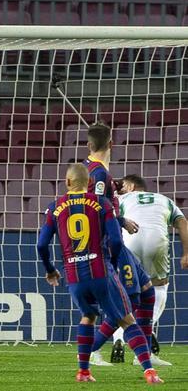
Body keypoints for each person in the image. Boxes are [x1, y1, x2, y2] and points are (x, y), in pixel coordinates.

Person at [37, 163, 162, 384]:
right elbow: (115, 240)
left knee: (88, 317)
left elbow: (41, 245)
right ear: (91, 183)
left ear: (67, 182)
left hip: (74, 276)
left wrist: (50, 270)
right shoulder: (102, 203)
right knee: (127, 320)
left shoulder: (54, 207)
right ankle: (149, 372)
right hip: (101, 272)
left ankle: (83, 371)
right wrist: (111, 263)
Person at [81, 123, 155, 366]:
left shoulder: (89, 169)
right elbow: (97, 207)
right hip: (109, 243)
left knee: (147, 291)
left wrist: (113, 187)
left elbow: (92, 199)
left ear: (89, 145)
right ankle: (90, 352)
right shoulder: (100, 173)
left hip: (115, 243)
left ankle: (143, 353)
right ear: (112, 144)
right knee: (128, 303)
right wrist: (121, 219)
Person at [115, 174, 188, 365]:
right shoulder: (165, 199)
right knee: (159, 286)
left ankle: (118, 338)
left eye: (122, 186)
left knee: (124, 293)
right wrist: (186, 253)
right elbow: (182, 222)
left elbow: (108, 218)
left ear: (130, 186)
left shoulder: (121, 199)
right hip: (157, 242)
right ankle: (145, 343)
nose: (120, 189)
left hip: (130, 241)